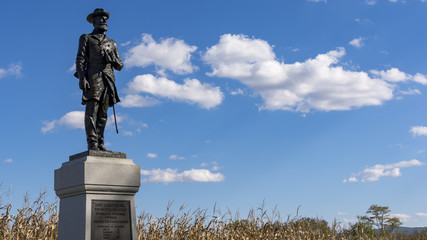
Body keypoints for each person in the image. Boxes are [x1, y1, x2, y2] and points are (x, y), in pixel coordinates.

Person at [75, 8, 123, 151]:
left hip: (108, 79)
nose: (104, 21)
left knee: (103, 114)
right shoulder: (86, 38)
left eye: (105, 19)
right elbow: (80, 59)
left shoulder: (112, 42)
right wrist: (82, 78)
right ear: (93, 22)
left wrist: (112, 59)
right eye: (100, 18)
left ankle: (100, 143)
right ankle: (92, 143)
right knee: (92, 111)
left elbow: (120, 65)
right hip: (93, 77)